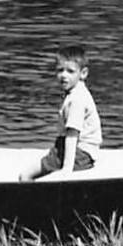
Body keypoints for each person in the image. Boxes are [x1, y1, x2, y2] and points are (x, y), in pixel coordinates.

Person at [26, 44, 103, 180]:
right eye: (60, 70)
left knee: (25, 175)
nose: (63, 75)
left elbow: (72, 134)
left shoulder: (76, 100)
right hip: (86, 153)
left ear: (83, 73)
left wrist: (67, 169)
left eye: (70, 71)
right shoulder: (78, 91)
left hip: (80, 154)